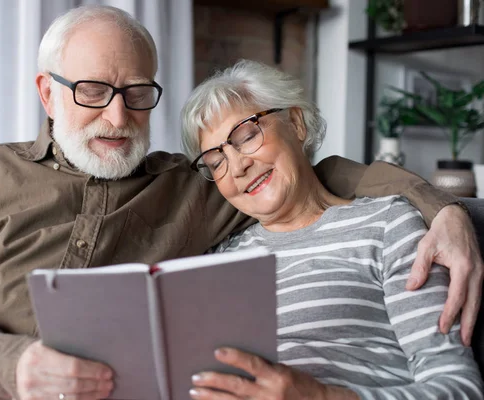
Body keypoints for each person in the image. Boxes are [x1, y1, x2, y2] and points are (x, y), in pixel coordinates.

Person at [0, 5, 481, 400]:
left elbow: (314, 177)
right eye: (93, 92)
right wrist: (11, 368)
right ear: (48, 92)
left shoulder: (198, 186)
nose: (118, 116)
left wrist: (444, 207)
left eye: (137, 94)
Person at [180, 60, 483, 399]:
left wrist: (323, 397)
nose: (237, 167)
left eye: (248, 136)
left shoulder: (386, 225)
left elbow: (459, 387)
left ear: (295, 123)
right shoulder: (218, 260)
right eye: (216, 161)